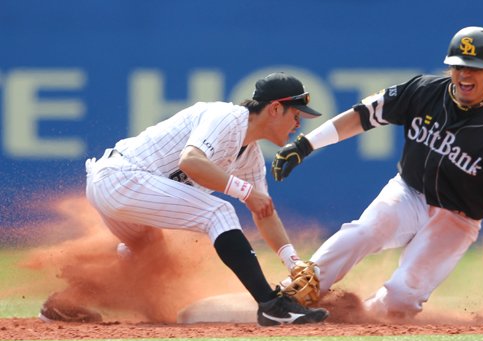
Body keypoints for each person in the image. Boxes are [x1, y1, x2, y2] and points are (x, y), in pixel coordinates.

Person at [272, 26, 483, 318]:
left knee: (402, 297)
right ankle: (294, 294)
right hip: (409, 192)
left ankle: (356, 315)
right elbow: (362, 115)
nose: (464, 74)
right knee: (363, 232)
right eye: (458, 66)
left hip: (457, 219)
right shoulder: (424, 91)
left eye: (475, 68)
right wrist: (306, 144)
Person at [39, 72, 330, 327]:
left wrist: (293, 262)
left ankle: (66, 303)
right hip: (121, 177)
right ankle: (272, 306)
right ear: (275, 108)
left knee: (148, 256)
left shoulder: (250, 155)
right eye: (296, 115)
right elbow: (190, 161)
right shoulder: (226, 117)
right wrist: (243, 191)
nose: (298, 124)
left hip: (119, 188)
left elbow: (263, 210)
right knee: (219, 212)